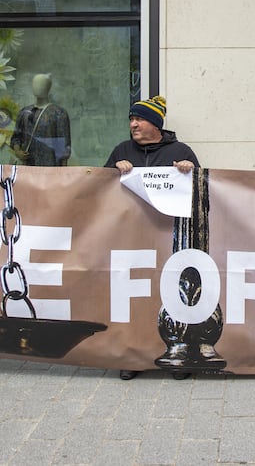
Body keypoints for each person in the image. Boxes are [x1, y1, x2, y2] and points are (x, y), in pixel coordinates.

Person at [105, 95, 198, 381]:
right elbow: (98, 187)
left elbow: (201, 190)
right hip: (131, 237)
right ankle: (134, 356)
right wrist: (112, 172)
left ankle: (178, 355)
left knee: (172, 294)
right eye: (131, 119)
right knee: (135, 297)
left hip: (168, 237)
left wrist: (190, 171)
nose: (133, 124)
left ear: (156, 124)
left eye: (139, 119)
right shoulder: (121, 150)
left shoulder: (181, 150)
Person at [11, 74, 71, 166]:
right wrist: (18, 151)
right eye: (35, 83)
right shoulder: (25, 112)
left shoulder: (58, 113)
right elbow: (16, 137)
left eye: (42, 84)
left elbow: (63, 145)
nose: (38, 87)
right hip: (27, 165)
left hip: (50, 167)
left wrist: (63, 172)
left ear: (48, 87)